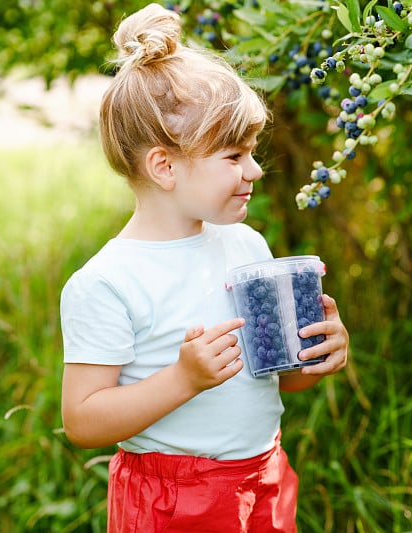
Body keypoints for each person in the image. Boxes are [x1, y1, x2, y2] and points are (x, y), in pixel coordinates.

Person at [59, 4, 349, 532]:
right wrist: (183, 379)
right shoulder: (107, 282)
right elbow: (82, 420)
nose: (255, 170)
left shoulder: (246, 245)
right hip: (173, 499)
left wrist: (312, 359)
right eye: (234, 157)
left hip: (263, 476)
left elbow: (273, 382)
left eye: (251, 153)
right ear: (164, 166)